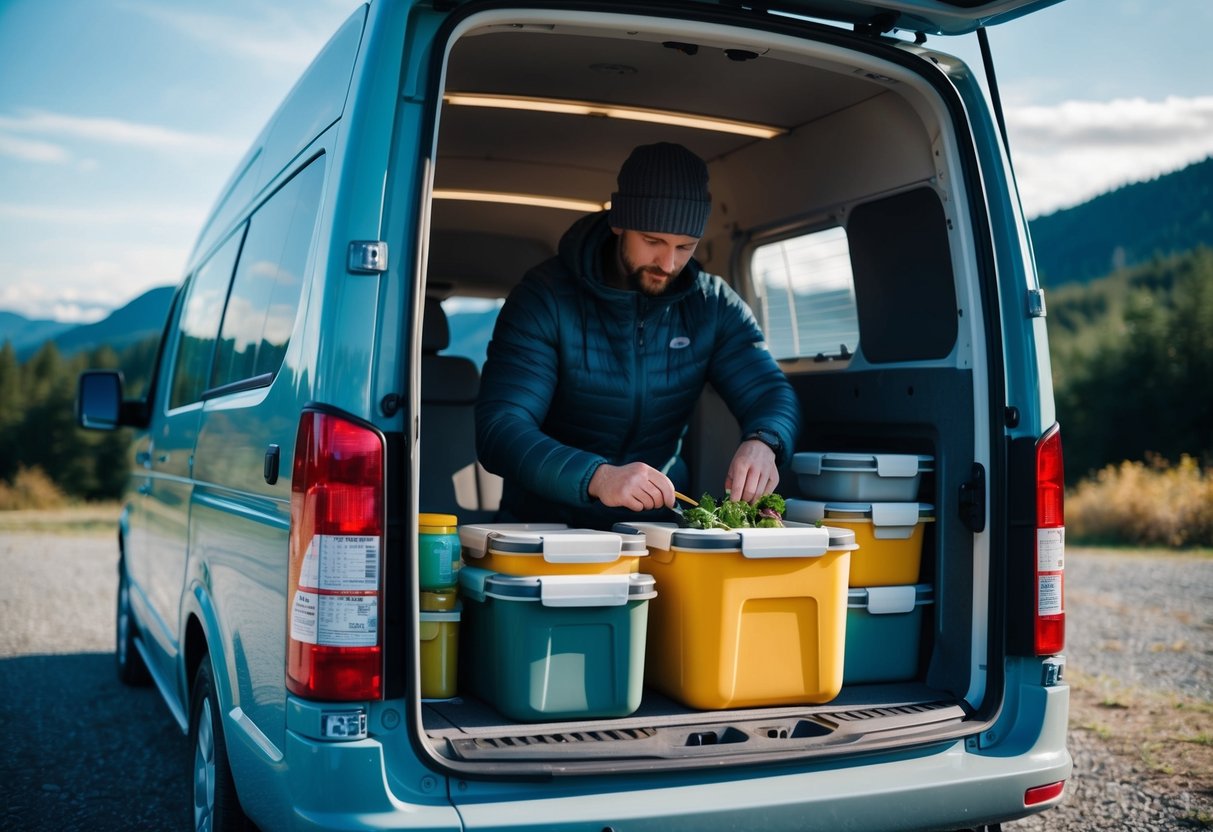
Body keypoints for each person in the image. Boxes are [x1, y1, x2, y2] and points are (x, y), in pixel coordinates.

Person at [475, 141, 800, 530]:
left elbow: (769, 390)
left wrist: (765, 441)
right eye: (652, 241)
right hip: (544, 529)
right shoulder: (544, 298)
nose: (668, 263)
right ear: (619, 223)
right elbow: (501, 428)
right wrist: (597, 477)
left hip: (657, 530)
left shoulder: (711, 305)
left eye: (685, 247)